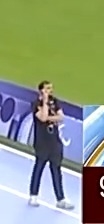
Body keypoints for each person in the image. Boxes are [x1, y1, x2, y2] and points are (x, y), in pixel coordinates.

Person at [28, 81, 75, 210]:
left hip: (55, 142)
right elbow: (42, 118)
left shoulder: (55, 102)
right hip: (42, 142)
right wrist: (45, 102)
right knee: (39, 168)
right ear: (41, 91)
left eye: (51, 88)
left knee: (56, 170)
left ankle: (60, 199)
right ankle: (33, 195)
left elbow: (61, 117)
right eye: (47, 88)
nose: (50, 90)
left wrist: (49, 117)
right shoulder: (35, 104)